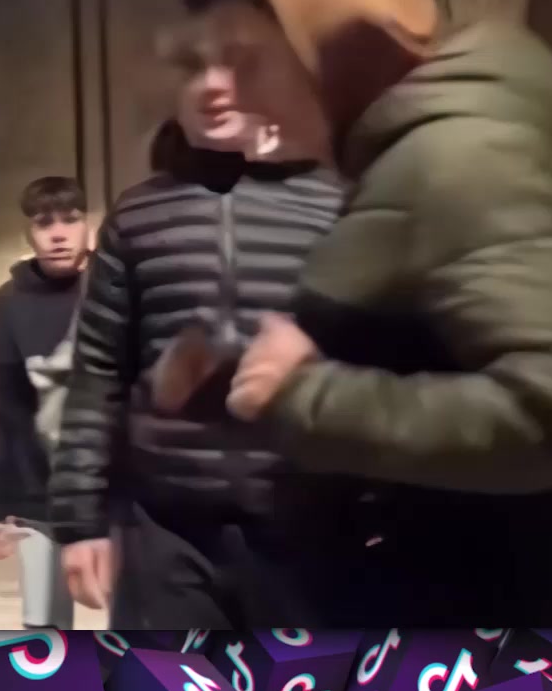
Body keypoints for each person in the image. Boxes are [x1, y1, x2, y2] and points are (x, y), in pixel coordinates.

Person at [185, 0, 552, 626]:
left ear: (334, 42)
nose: (224, 90)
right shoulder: (409, 150)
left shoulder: (465, 157)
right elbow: (413, 337)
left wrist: (305, 398)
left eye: (246, 59)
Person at [47, 32, 344, 629]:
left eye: (235, 66)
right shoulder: (137, 216)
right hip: (165, 533)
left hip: (309, 529)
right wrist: (80, 521)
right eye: (193, 69)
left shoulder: (335, 208)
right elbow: (99, 372)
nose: (212, 87)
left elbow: (375, 359)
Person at [0, 175, 91, 630]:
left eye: (70, 220)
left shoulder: (114, 292)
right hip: (41, 500)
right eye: (44, 223)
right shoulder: (7, 307)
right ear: (28, 232)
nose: (58, 234)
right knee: (45, 633)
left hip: (123, 499)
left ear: (87, 225)